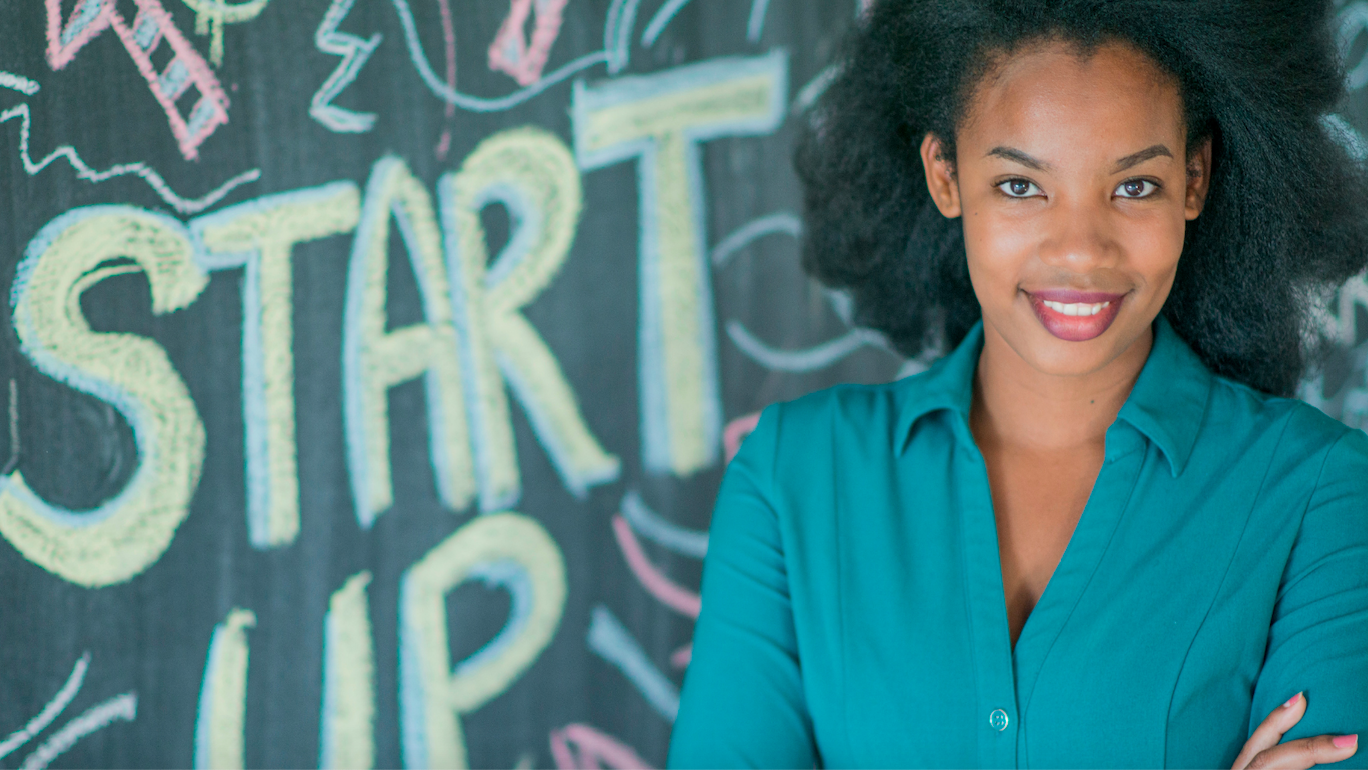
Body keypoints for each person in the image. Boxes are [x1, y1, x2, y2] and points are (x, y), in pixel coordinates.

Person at [667, 0, 1368, 767]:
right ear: (946, 175)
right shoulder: (793, 477)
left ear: (1194, 179)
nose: (1080, 251)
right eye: (1020, 186)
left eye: (1134, 186)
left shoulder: (1320, 494)